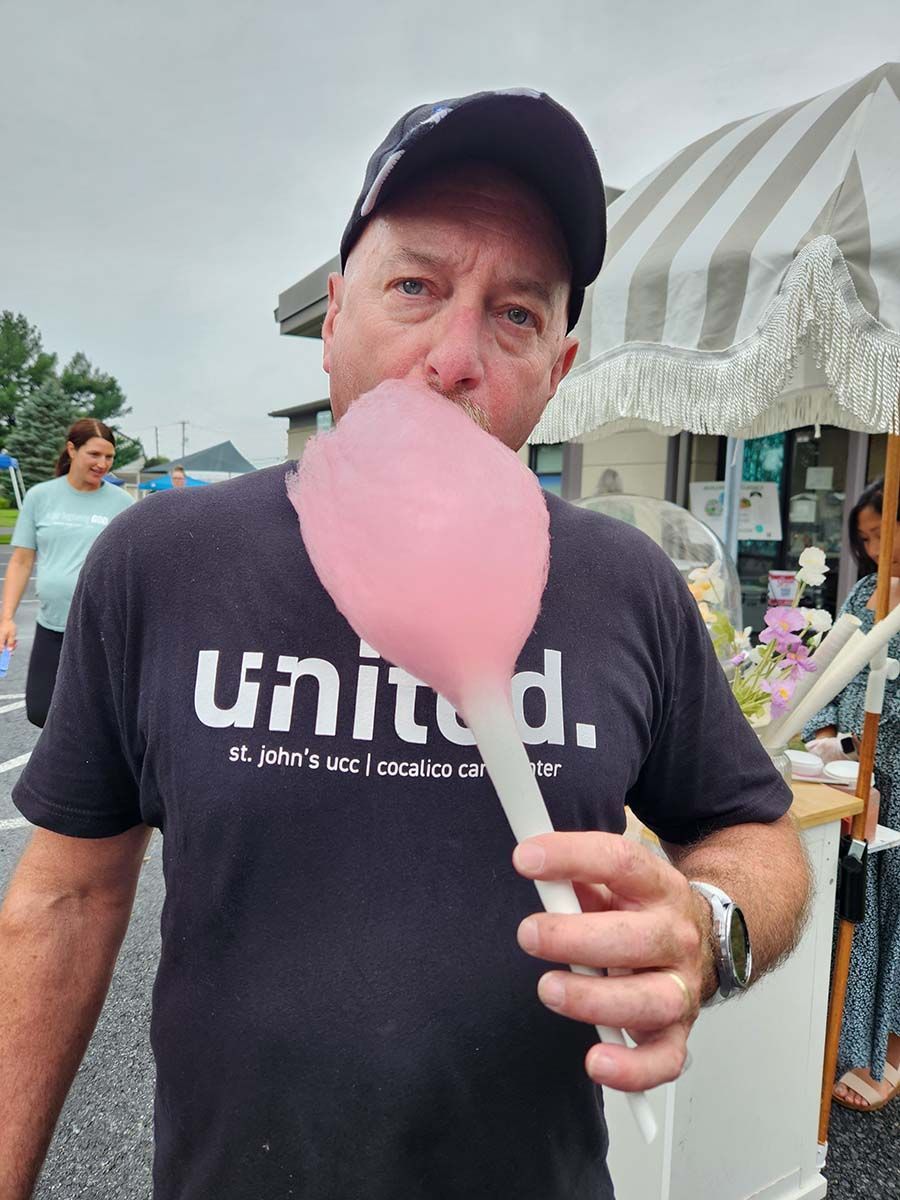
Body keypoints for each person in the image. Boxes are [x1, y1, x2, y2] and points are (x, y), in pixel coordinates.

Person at [0, 91, 809, 1200]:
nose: (454, 356)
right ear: (336, 312)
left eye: (515, 314)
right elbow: (66, 899)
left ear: (559, 367)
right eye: (415, 287)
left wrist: (710, 929)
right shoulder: (163, 563)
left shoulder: (625, 587)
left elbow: (757, 835)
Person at [804, 476, 900, 1112]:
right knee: (859, 910)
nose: (871, 550)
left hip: (891, 768)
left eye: (881, 534)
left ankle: (891, 1051)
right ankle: (853, 1040)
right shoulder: (866, 591)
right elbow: (829, 671)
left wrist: (866, 739)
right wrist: (826, 732)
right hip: (857, 774)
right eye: (863, 539)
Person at [0, 418, 133, 728]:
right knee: (40, 710)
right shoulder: (40, 496)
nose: (103, 464)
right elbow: (21, 561)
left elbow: (132, 564)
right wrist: (6, 618)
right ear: (72, 450)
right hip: (52, 624)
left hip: (101, 629)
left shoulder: (122, 503)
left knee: (100, 717)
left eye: (109, 457)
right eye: (94, 454)